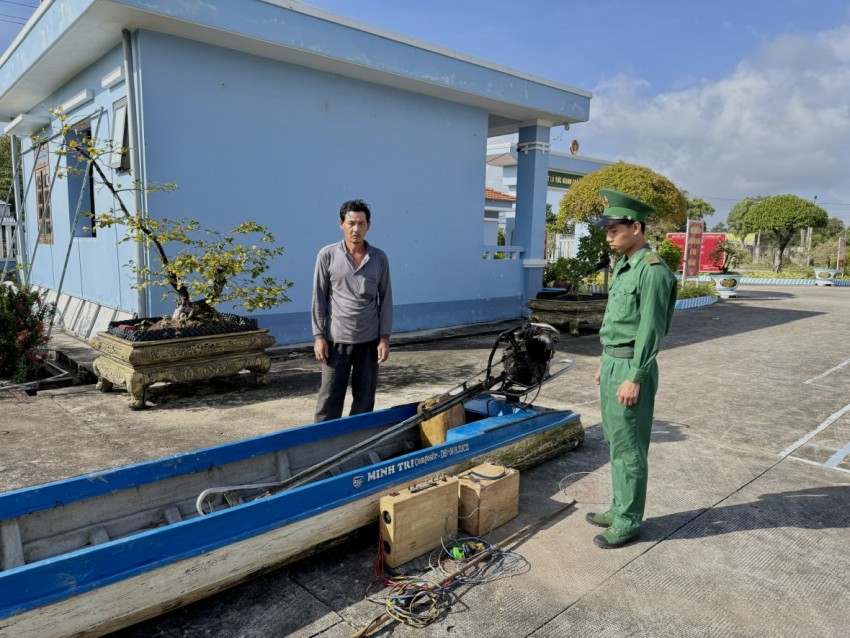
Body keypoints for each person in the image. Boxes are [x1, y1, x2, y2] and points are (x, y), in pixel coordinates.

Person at [587, 189, 677, 549]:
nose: (608, 235)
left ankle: (628, 520)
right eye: (606, 229)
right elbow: (617, 322)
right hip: (613, 361)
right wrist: (603, 361)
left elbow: (650, 331)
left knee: (629, 449)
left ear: (636, 227)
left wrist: (634, 376)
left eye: (614, 229)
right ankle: (618, 506)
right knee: (614, 440)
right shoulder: (625, 266)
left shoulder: (652, 271)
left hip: (631, 366)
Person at [312, 199, 393, 422]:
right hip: (336, 341)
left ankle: (357, 443)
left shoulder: (379, 258)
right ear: (341, 224)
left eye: (361, 223)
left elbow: (385, 299)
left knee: (365, 400)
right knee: (329, 399)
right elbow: (318, 298)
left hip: (369, 342)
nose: (356, 229)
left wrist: (384, 338)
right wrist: (319, 337)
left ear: (368, 225)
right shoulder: (327, 255)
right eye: (351, 223)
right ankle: (322, 444)